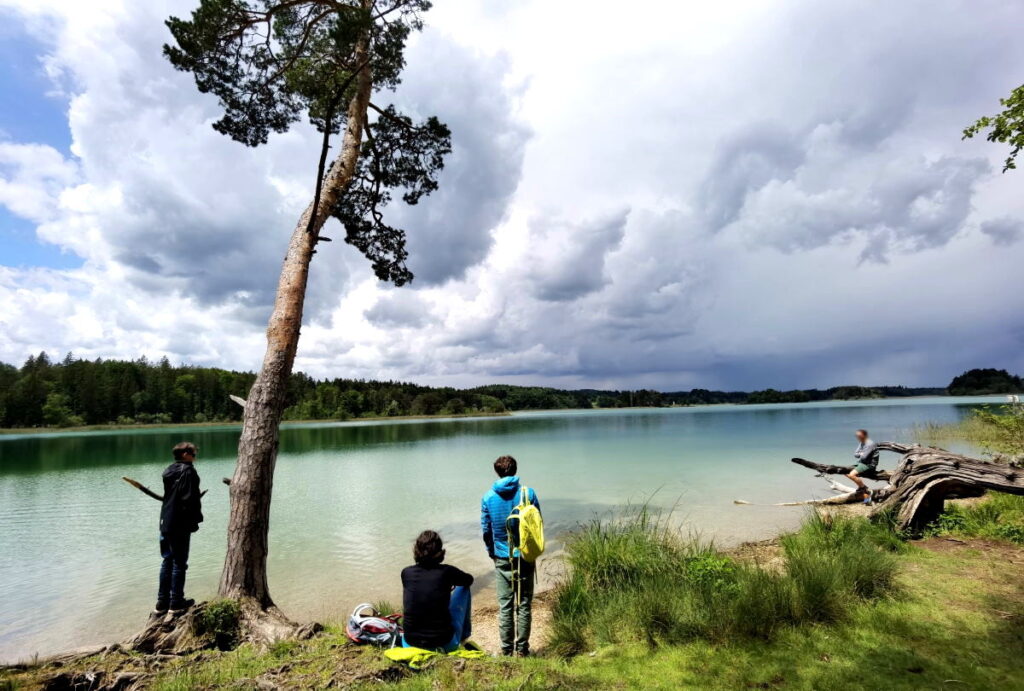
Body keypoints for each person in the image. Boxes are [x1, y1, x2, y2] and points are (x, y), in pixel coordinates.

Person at [480, 455, 540, 657]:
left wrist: (492, 552)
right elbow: (537, 525)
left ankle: (506, 650)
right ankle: (522, 650)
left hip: (502, 557)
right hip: (524, 555)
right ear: (514, 470)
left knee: (505, 605)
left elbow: (486, 531)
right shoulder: (528, 493)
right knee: (523, 604)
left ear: (497, 472)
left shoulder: (488, 497)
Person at [400, 530, 474, 652]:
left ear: (416, 550)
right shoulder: (447, 572)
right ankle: (464, 637)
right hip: (443, 643)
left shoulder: (406, 573)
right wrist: (449, 584)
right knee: (463, 587)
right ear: (440, 551)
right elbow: (469, 580)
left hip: (409, 643)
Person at [155, 441, 203, 615]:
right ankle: (176, 603)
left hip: (165, 522)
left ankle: (162, 602)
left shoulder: (169, 470)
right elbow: (189, 499)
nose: (195, 457)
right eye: (193, 453)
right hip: (179, 524)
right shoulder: (188, 471)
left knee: (167, 561)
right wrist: (196, 519)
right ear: (185, 455)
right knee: (179, 563)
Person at [848, 429, 879, 504]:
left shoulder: (870, 444)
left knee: (851, 475)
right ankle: (864, 490)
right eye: (857, 436)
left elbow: (864, 457)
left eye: (859, 435)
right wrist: (860, 454)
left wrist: (861, 454)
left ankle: (863, 488)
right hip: (861, 463)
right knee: (844, 471)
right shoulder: (862, 443)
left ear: (864, 435)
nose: (857, 437)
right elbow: (855, 454)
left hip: (869, 465)